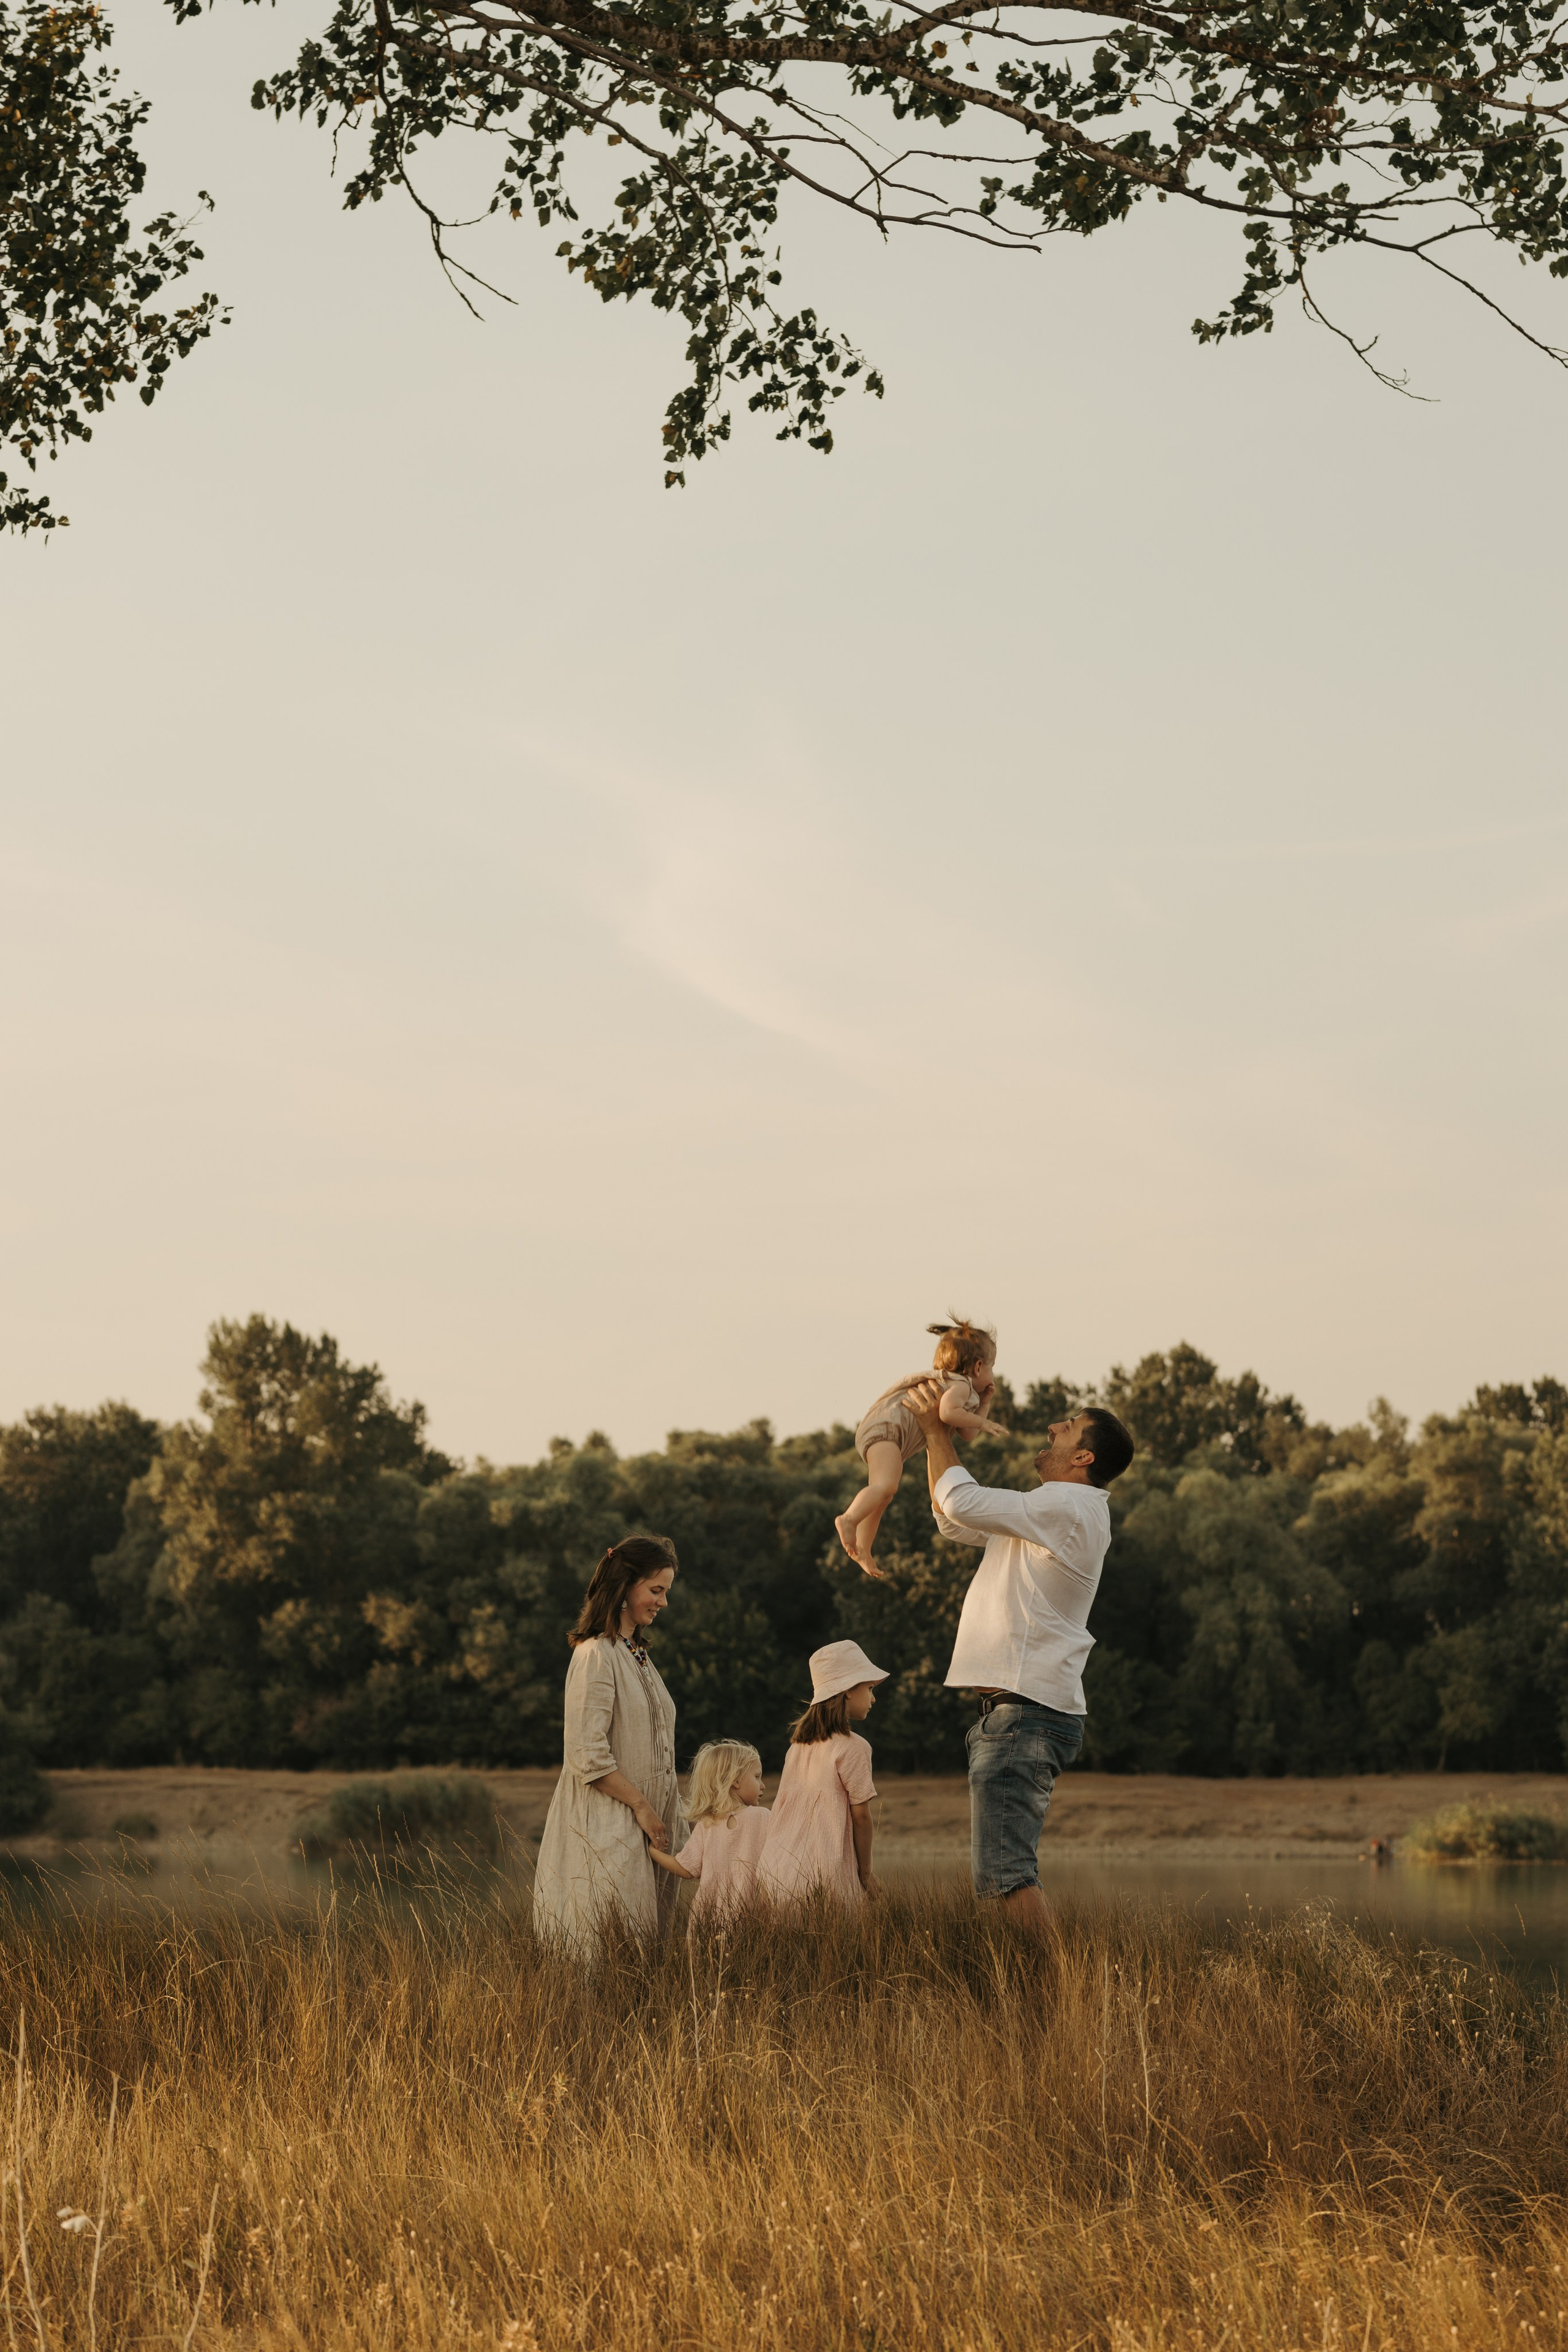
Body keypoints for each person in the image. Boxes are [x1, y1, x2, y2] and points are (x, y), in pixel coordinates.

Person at [903, 1382, 1134, 1934]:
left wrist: (936, 1430)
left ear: (1083, 1458)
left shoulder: (1067, 1505)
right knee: (1002, 1876)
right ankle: (1043, 1981)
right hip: (1021, 1712)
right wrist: (937, 1439)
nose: (1052, 1428)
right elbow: (953, 1518)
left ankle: (1055, 1983)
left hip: (1025, 1713)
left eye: (1067, 1428)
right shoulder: (1051, 1514)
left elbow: (960, 1501)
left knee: (1007, 1875)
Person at [532, 1534, 687, 1956]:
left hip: (648, 1823)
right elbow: (587, 1753)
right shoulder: (596, 1653)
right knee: (610, 1949)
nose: (663, 1602)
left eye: (666, 1592)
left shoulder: (636, 1654)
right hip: (611, 1821)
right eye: (656, 1590)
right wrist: (641, 1806)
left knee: (648, 1954)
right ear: (625, 1586)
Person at [836, 1319, 1004, 1575]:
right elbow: (948, 1414)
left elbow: (967, 1433)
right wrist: (984, 1421)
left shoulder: (957, 1388)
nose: (993, 1375)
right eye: (992, 1367)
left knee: (882, 1494)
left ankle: (863, 1549)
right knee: (885, 1487)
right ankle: (848, 1519)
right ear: (979, 1367)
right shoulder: (961, 1385)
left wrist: (984, 1404)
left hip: (884, 1432)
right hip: (888, 1430)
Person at [756, 1640, 887, 1908]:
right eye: (870, 1688)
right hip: (828, 1874)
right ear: (848, 1690)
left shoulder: (796, 1747)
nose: (873, 1698)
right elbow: (862, 1818)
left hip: (776, 1871)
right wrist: (865, 1874)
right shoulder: (854, 1748)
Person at [646, 1738, 771, 1928]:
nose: (762, 1785)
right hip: (755, 1917)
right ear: (735, 1780)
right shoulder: (763, 1817)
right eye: (757, 1777)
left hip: (710, 1919)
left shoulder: (707, 1824)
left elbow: (685, 1869)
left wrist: (652, 1851)